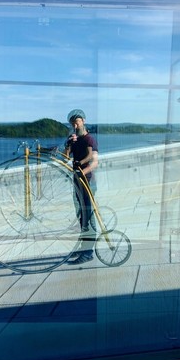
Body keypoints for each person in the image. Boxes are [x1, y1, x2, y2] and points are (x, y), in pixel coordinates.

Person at [64, 109, 98, 265]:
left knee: (87, 215)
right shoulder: (74, 140)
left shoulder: (89, 139)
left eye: (77, 121)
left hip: (87, 181)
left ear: (83, 120)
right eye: (72, 122)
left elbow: (94, 161)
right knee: (81, 215)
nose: (75, 124)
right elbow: (65, 158)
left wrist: (81, 172)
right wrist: (68, 144)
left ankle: (88, 251)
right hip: (78, 182)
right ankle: (85, 248)